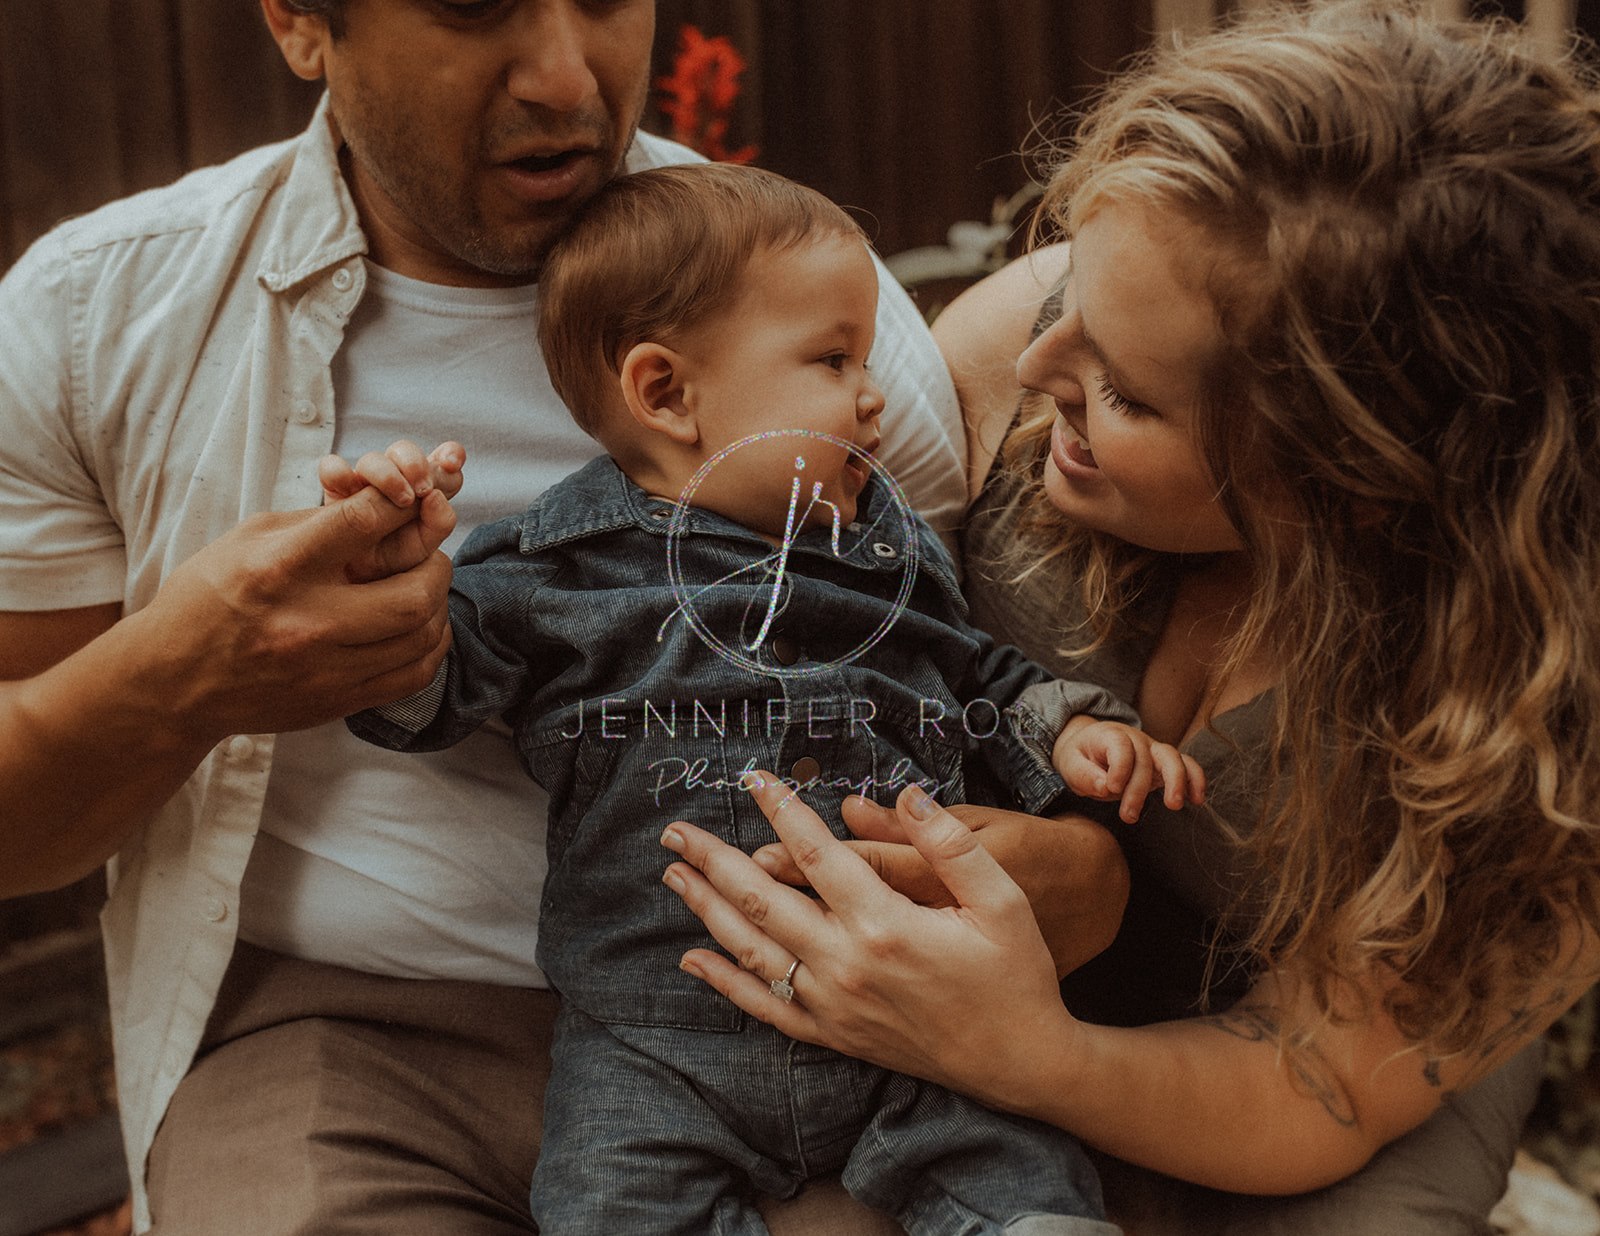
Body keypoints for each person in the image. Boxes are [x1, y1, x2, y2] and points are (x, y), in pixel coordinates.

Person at [0, 3, 1133, 1232]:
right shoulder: (98, 316)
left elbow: (955, 670)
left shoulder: (819, 311)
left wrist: (1079, 876)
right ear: (299, 20)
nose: (563, 77)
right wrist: (189, 673)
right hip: (357, 1035)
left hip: (828, 1015)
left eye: (604, 0)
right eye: (476, 6)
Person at [659, 4, 1600, 1233]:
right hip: (1001, 952)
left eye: (1124, 393)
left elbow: (1315, 1089)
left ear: (1351, 482)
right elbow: (827, 643)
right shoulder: (1055, 334)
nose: (1041, 373)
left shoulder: (1546, 687)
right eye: (1067, 300)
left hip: (1329, 1054)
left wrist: (1031, 1055)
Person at [333, 161, 1208, 1235]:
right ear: (666, 394)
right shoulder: (555, 571)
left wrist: (1069, 730)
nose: (874, 394)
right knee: (607, 1199)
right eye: (833, 360)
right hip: (658, 1031)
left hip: (909, 1011)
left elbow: (976, 673)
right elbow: (428, 688)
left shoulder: (885, 548)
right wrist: (393, 586)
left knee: (1006, 1162)